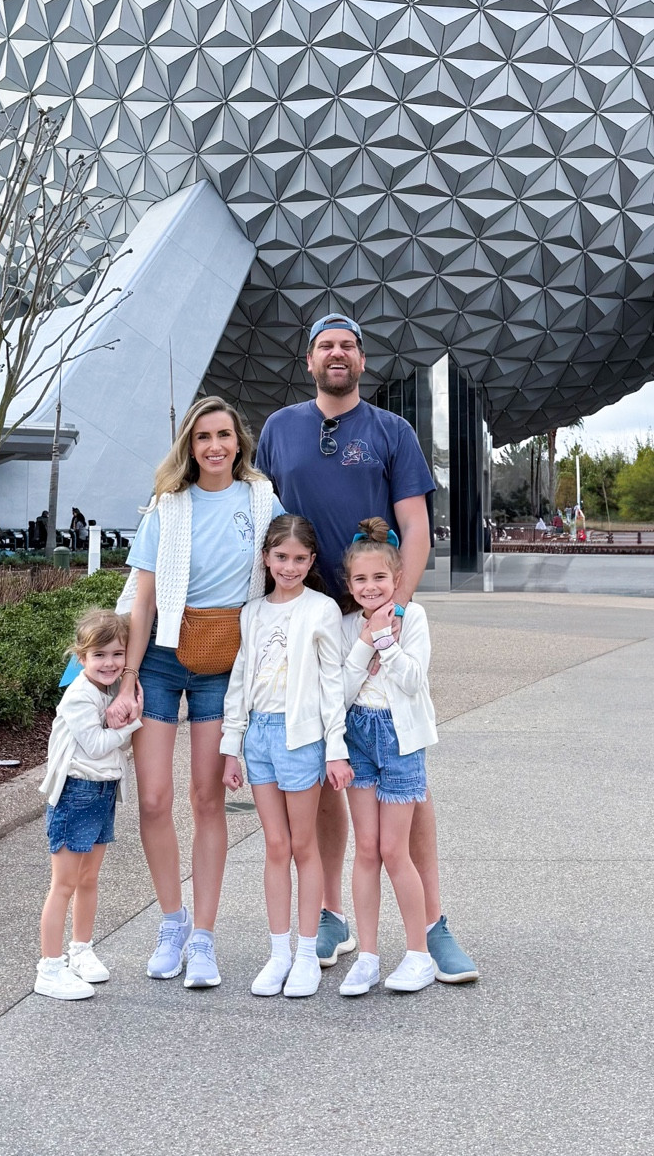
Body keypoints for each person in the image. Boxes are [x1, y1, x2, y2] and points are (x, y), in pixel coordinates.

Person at [255, 312, 478, 983]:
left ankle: (432, 924)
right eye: (326, 345)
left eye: (348, 345)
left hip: (377, 611)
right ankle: (329, 914)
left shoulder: (391, 431)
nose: (337, 354)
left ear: (361, 359)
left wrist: (395, 610)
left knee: (406, 765)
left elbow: (415, 528)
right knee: (329, 762)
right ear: (309, 359)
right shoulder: (279, 430)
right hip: (312, 620)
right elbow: (263, 523)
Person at [106, 396, 282, 990]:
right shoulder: (168, 506)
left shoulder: (260, 499)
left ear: (239, 442)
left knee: (207, 800)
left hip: (223, 662)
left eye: (224, 435)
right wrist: (127, 679)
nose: (214, 446)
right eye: (203, 436)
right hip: (159, 658)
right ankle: (172, 923)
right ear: (190, 444)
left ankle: (204, 937)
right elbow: (145, 596)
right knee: (154, 800)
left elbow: (284, 567)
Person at [221, 515, 353, 998]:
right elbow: (240, 681)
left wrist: (335, 750)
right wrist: (230, 748)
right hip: (259, 737)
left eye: (299, 559)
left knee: (303, 846)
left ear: (312, 561)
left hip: (302, 739)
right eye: (281, 557)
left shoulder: (321, 611)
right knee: (274, 846)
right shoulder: (252, 612)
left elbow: (332, 685)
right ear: (266, 559)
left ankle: (305, 954)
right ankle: (278, 953)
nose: (290, 567)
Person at [338, 519, 439, 996]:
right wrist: (363, 643)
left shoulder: (412, 620)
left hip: (400, 739)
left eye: (379, 578)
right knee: (367, 850)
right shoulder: (345, 627)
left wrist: (385, 641)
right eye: (360, 579)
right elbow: (339, 693)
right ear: (349, 584)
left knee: (396, 850)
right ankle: (368, 956)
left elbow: (413, 681)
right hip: (358, 738)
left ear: (396, 580)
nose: (370, 587)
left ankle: (418, 953)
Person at [35, 608, 143, 1000]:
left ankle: (80, 950)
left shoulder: (112, 691)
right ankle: (49, 967)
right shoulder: (79, 696)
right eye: (99, 655)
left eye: (117, 654)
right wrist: (133, 722)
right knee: (63, 884)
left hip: (101, 793)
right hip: (75, 794)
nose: (109, 663)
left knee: (89, 879)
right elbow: (97, 745)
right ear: (81, 658)